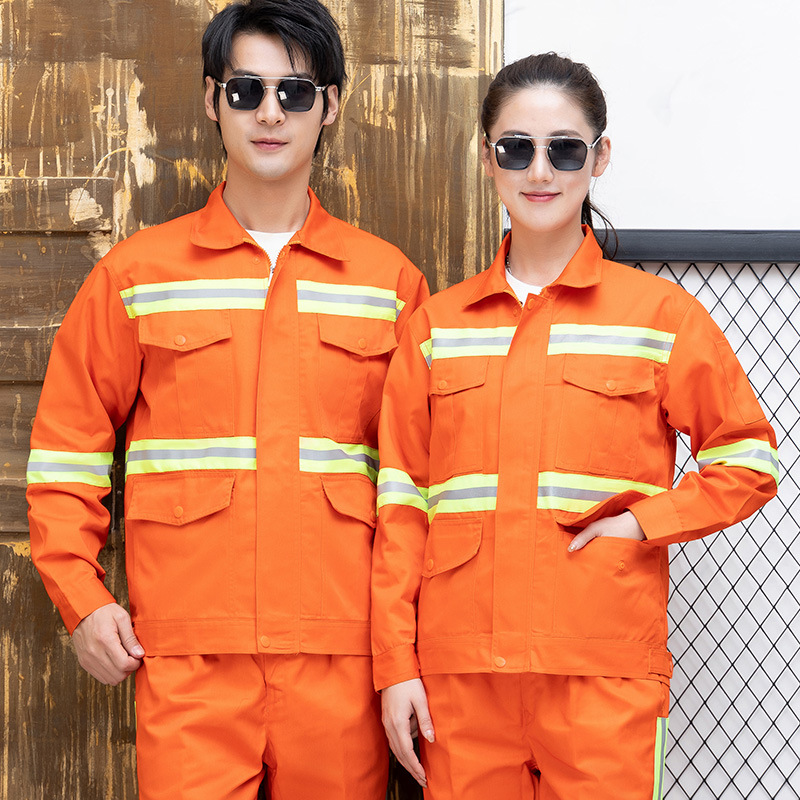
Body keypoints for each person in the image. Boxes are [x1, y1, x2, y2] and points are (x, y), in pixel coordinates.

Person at [26, 1, 428, 798]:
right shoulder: (138, 277)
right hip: (188, 666)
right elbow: (67, 450)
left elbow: (419, 483)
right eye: (246, 90)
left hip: (342, 665)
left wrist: (404, 651)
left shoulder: (389, 284)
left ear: (330, 106)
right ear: (213, 100)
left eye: (295, 92)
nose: (270, 113)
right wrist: (80, 597)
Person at [371, 52, 778, 800]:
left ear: (600, 157)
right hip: (462, 681)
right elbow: (400, 510)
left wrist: (643, 522)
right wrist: (396, 665)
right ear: (486, 157)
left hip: (603, 673)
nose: (539, 171)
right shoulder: (436, 328)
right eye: (515, 148)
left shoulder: (661, 317)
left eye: (564, 149)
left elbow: (748, 460)